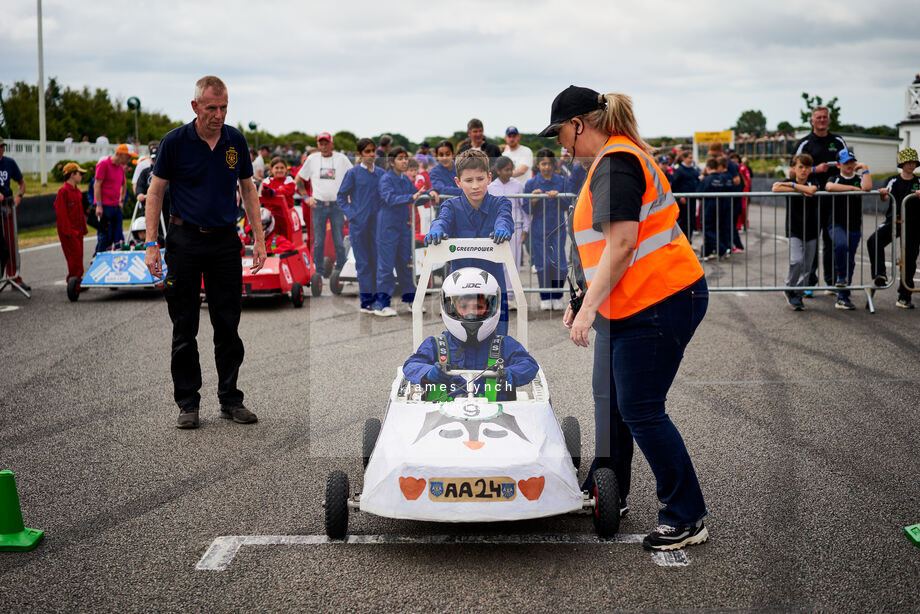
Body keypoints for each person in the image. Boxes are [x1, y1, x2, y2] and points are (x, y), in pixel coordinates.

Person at [542, 85, 709, 551]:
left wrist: (588, 309)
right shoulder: (610, 160)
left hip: (659, 300)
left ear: (579, 125)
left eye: (560, 133)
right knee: (610, 402)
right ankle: (607, 491)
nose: (559, 143)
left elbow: (622, 244)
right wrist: (582, 296)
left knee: (639, 409)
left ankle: (686, 514)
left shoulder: (616, 162)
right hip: (632, 302)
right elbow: (602, 253)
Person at [143, 75, 266, 429]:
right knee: (185, 325)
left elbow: (248, 188)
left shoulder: (234, 141)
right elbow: (155, 193)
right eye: (211, 107)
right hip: (184, 242)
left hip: (225, 242)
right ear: (195, 106)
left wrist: (258, 238)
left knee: (228, 324)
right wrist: (152, 244)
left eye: (224, 107)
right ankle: (188, 403)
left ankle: (230, 399)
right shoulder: (175, 142)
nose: (218, 114)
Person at [403, 267, 538, 402]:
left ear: (492, 308)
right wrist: (429, 373)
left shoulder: (504, 345)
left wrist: (510, 374)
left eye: (478, 308)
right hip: (442, 419)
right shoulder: (436, 345)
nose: (471, 313)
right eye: (464, 307)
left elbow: (529, 365)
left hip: (496, 418)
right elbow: (411, 366)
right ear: (449, 307)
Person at [424, 149, 514, 333]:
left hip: (492, 282)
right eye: (469, 180)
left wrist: (502, 228)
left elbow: (504, 218)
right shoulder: (451, 205)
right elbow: (442, 220)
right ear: (458, 182)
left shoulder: (501, 203)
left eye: (480, 179)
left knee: (498, 332)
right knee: (460, 332)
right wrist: (436, 230)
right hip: (460, 285)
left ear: (489, 178)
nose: (475, 186)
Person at [793, 106, 850, 290]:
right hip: (811, 199)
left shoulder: (838, 141)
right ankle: (809, 282)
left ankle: (831, 282)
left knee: (831, 242)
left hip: (834, 200)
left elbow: (849, 164)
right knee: (811, 242)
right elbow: (793, 169)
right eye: (818, 117)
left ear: (829, 120)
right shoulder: (805, 143)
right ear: (812, 120)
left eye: (825, 117)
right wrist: (815, 170)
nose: (822, 120)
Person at [375, 146, 434, 316]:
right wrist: (412, 197)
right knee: (386, 267)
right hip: (387, 228)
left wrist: (430, 194)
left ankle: (410, 301)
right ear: (392, 162)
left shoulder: (404, 179)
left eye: (405, 158)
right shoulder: (386, 179)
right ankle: (382, 305)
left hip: (403, 227)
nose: (404, 161)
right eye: (400, 158)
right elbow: (390, 199)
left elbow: (416, 196)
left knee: (406, 265)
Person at [867, 147, 920, 308]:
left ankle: (904, 296)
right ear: (902, 164)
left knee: (910, 259)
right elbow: (885, 196)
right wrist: (883, 193)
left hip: (913, 224)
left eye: (914, 162)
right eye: (908, 162)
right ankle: (880, 274)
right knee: (873, 241)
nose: (911, 165)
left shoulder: (918, 181)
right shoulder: (893, 180)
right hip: (895, 221)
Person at [337, 137, 385, 313]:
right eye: (367, 152)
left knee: (377, 262)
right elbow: (341, 196)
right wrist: (352, 215)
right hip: (358, 226)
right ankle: (366, 302)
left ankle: (378, 299)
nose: (371, 155)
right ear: (360, 154)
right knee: (363, 263)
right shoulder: (353, 173)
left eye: (373, 151)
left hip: (377, 226)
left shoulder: (381, 173)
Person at [296, 132, 352, 276]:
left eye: (326, 143)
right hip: (319, 205)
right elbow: (299, 179)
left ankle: (341, 269)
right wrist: (305, 197)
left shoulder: (342, 159)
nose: (324, 146)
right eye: (321, 143)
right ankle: (318, 272)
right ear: (317, 145)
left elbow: (353, 177)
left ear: (332, 144)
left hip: (337, 205)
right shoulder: (312, 159)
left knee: (339, 240)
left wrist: (349, 196)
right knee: (319, 241)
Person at [825, 149, 872, 310]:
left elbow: (867, 187)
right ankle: (841, 277)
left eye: (852, 162)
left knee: (851, 259)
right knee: (841, 245)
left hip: (854, 224)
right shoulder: (835, 177)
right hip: (836, 223)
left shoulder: (858, 178)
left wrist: (864, 167)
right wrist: (852, 189)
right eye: (845, 163)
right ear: (838, 165)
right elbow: (829, 187)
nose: (849, 165)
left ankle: (843, 297)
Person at [772, 153, 819, 311]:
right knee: (796, 260)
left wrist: (794, 188)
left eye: (806, 168)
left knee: (807, 265)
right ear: (794, 168)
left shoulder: (814, 181)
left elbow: (811, 190)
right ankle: (789, 288)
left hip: (812, 230)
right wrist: (795, 186)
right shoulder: (789, 182)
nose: (803, 170)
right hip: (794, 230)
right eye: (800, 167)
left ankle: (798, 294)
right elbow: (775, 187)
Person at [524, 148, 569, 310]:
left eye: (549, 163)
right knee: (543, 264)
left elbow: (568, 205)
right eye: (543, 164)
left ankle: (557, 296)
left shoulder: (562, 181)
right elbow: (526, 209)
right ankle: (545, 297)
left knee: (560, 265)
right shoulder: (531, 183)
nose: (546, 167)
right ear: (538, 165)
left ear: (554, 164)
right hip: (539, 229)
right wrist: (534, 200)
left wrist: (559, 197)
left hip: (558, 228)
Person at [488, 156, 528, 311]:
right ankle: (499, 295)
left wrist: (526, 228)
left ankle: (510, 296)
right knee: (499, 264)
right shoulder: (491, 187)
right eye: (507, 169)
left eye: (511, 169)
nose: (510, 172)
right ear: (498, 170)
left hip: (516, 228)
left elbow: (523, 208)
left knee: (514, 263)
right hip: (496, 231)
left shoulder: (518, 186)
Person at [93, 143, 137, 253]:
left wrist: (121, 200)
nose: (129, 159)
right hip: (105, 206)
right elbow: (97, 184)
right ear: (120, 154)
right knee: (105, 236)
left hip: (115, 206)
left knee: (118, 236)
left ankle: (118, 260)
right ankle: (97, 257)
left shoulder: (120, 168)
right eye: (128, 156)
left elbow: (124, 184)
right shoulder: (104, 164)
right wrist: (98, 205)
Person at [53, 162, 89, 286]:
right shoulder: (63, 191)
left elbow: (80, 212)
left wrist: (83, 228)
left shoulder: (77, 191)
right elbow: (61, 213)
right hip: (69, 232)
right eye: (80, 174)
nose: (81, 176)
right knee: (74, 259)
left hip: (78, 230)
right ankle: (73, 282)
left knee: (79, 257)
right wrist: (68, 232)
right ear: (72, 174)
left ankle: (77, 281)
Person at [0, 137, 29, 289]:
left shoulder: (9, 163)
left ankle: (14, 276)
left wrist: (19, 197)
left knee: (11, 244)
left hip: (6, 209)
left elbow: (22, 182)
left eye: (2, 147)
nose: (1, 150)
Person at [697, 157, 732, 260]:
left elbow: (698, 193)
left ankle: (721, 248)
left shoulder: (706, 180)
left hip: (709, 207)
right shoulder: (723, 179)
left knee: (707, 229)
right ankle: (707, 252)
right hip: (722, 206)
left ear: (708, 167)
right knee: (717, 229)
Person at [260, 156, 296, 239]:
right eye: (276, 168)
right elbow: (265, 195)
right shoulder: (267, 181)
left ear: (286, 169)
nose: (279, 170)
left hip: (287, 215)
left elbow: (287, 191)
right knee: (273, 239)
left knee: (287, 238)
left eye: (282, 168)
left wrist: (273, 192)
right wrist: (273, 192)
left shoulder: (289, 180)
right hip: (271, 216)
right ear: (271, 169)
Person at [670, 150, 700, 239]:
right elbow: (675, 184)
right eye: (689, 158)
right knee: (683, 220)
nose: (691, 160)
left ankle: (689, 240)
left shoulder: (693, 169)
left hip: (692, 199)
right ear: (684, 158)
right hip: (683, 200)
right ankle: (682, 239)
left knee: (691, 220)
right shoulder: (679, 170)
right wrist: (680, 196)